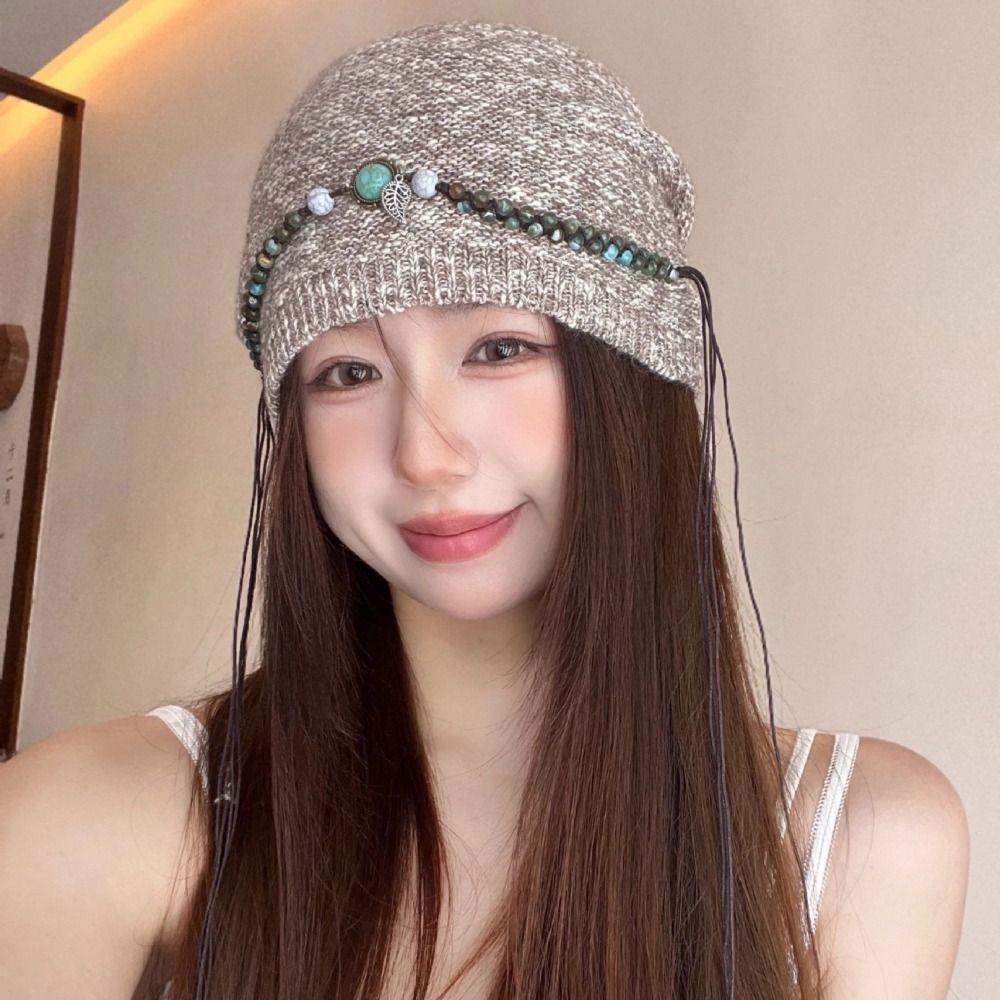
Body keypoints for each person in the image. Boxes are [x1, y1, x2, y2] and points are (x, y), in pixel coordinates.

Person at [0, 20, 969, 1000]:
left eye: (499, 350)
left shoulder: (862, 845)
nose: (425, 455)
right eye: (348, 373)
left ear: (635, 384)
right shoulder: (86, 823)